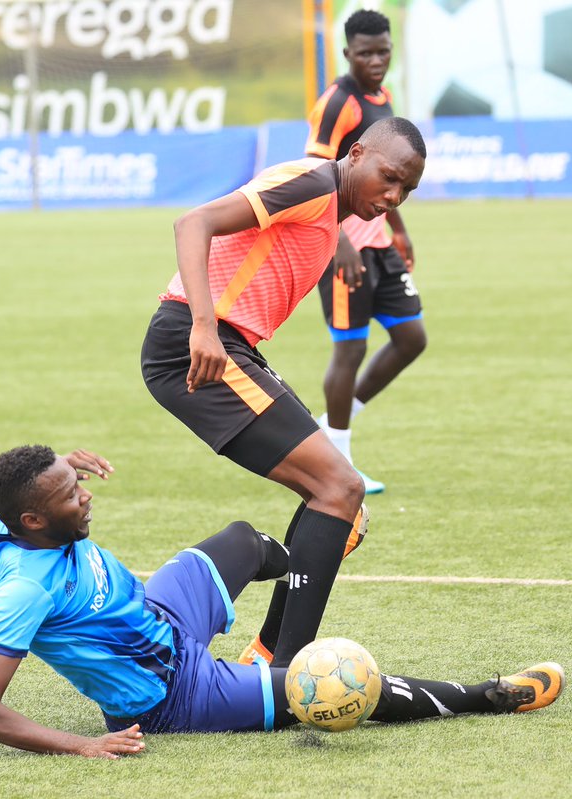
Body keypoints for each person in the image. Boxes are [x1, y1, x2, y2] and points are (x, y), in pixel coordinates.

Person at [0, 444, 566, 758]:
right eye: (71, 495)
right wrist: (84, 746)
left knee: (244, 542)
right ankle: (489, 696)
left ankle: (282, 622)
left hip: (161, 616)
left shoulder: (11, 515)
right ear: (32, 520)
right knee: (334, 688)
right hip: (174, 696)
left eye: (78, 484)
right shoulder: (24, 590)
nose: (86, 497)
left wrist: (60, 467)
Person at [141, 114, 426, 669]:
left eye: (407, 190)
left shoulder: (331, 212)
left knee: (340, 502)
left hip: (231, 347)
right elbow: (193, 222)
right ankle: (283, 675)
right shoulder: (313, 182)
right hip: (197, 345)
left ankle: (269, 658)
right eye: (389, 177)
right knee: (340, 487)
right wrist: (203, 325)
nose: (393, 196)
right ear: (357, 152)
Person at [307, 9, 428, 496]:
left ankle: (332, 426)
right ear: (347, 53)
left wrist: (399, 230)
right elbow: (313, 172)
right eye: (365, 53)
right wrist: (337, 241)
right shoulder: (337, 102)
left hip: (378, 241)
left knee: (411, 338)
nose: (376, 61)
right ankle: (338, 460)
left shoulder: (383, 97)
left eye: (383, 51)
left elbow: (390, 175)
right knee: (351, 348)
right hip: (344, 245)